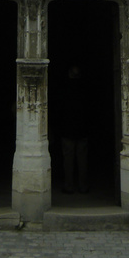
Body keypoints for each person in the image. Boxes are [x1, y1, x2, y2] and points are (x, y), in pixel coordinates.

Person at [57, 64, 89, 194]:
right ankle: (83, 186)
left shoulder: (64, 89)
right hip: (83, 129)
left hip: (68, 129)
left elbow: (60, 109)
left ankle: (69, 185)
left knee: (68, 160)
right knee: (82, 159)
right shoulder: (85, 89)